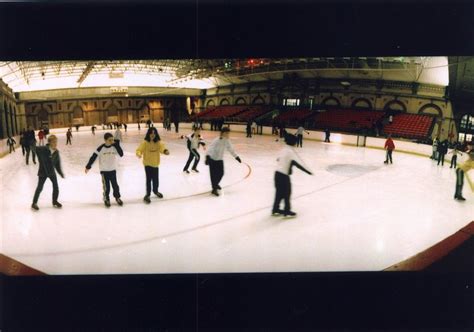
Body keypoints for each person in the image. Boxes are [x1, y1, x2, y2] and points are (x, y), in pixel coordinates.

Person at [272, 133, 313, 217]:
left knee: (279, 193)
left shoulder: (283, 149)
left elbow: (278, 159)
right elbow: (299, 164)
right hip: (283, 176)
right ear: (293, 142)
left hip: (277, 174)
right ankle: (287, 210)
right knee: (287, 193)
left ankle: (275, 209)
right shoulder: (291, 152)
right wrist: (309, 172)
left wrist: (288, 165)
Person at [85, 133, 124, 208]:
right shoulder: (101, 148)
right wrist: (88, 166)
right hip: (104, 171)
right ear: (105, 140)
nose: (112, 141)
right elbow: (93, 157)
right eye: (110, 140)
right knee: (107, 187)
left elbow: (121, 154)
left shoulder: (114, 147)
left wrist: (117, 145)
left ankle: (117, 197)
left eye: (112, 139)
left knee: (115, 186)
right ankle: (106, 199)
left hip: (112, 170)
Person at [136, 127, 170, 204]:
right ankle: (147, 194)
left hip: (155, 164)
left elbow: (162, 147)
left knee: (155, 179)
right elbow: (139, 149)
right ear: (148, 134)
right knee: (148, 179)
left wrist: (165, 151)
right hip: (147, 164)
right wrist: (138, 154)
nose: (152, 135)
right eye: (151, 133)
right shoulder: (145, 142)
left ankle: (155, 191)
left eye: (154, 133)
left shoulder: (158, 142)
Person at [205, 127, 242, 196]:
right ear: (223, 133)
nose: (228, 134)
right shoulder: (216, 140)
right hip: (212, 159)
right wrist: (207, 157)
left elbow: (231, 149)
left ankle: (215, 185)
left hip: (219, 160)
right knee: (213, 175)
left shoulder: (227, 140)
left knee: (221, 173)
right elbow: (211, 148)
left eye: (228, 133)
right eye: (227, 133)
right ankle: (214, 189)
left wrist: (236, 157)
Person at [31, 135, 65, 211]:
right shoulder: (42, 149)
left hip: (51, 172)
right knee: (40, 188)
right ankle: (34, 203)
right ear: (49, 142)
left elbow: (57, 164)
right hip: (43, 172)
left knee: (56, 187)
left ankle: (54, 201)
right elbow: (33, 148)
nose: (56, 143)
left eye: (56, 141)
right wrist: (31, 142)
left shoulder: (56, 152)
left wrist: (60, 173)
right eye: (54, 142)